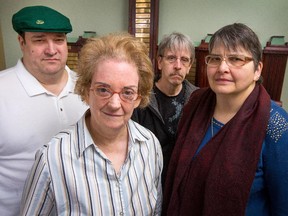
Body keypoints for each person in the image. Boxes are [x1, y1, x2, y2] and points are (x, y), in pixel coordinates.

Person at [20, 33, 163, 215]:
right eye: (103, 89)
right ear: (86, 92)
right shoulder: (53, 159)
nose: (114, 104)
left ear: (138, 99)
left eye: (127, 92)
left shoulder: (150, 146)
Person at [163, 23, 288, 216]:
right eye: (215, 59)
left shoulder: (275, 124)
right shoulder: (195, 103)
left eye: (235, 59)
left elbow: (283, 204)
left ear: (257, 69)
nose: (222, 68)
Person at [0, 6, 88, 215]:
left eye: (58, 39)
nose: (51, 49)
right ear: (22, 42)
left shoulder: (89, 89)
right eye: (39, 40)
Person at [131, 32, 198, 185]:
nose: (178, 66)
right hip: (145, 180)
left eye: (184, 60)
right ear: (160, 62)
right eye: (171, 58)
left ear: (189, 67)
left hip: (182, 184)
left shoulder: (198, 100)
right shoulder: (140, 97)